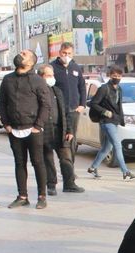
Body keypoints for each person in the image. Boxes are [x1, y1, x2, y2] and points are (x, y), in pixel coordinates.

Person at [0, 49, 50, 209]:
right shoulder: (7, 79)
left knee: (38, 162)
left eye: (25, 53)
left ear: (31, 62)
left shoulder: (37, 80)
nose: (21, 53)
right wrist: (6, 124)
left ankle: (42, 196)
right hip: (14, 129)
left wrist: (38, 126)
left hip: (33, 129)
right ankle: (22, 196)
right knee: (19, 163)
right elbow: (2, 102)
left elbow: (46, 104)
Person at [37, 64, 84, 195]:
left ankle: (69, 183)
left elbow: (65, 112)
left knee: (66, 157)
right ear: (41, 77)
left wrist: (69, 130)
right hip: (45, 130)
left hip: (60, 130)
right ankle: (51, 185)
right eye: (48, 75)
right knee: (48, 159)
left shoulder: (57, 91)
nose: (52, 78)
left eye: (52, 75)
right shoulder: (36, 92)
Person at [87, 65, 135, 181]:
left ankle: (93, 168)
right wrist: (104, 112)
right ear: (110, 76)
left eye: (119, 76)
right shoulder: (104, 88)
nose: (117, 78)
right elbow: (93, 103)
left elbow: (119, 106)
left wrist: (122, 120)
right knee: (117, 145)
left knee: (106, 148)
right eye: (115, 76)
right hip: (106, 121)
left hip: (115, 120)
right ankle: (125, 172)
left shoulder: (119, 89)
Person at [50, 42, 86, 153]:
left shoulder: (75, 67)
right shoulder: (52, 67)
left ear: (73, 54)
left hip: (74, 109)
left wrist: (82, 104)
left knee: (72, 137)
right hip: (59, 108)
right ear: (60, 52)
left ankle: (70, 162)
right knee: (61, 134)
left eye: (69, 53)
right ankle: (63, 157)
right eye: (64, 53)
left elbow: (82, 87)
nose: (66, 56)